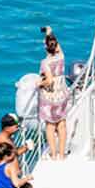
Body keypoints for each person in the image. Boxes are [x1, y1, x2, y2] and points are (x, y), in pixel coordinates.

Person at [38, 27, 70, 159]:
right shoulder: (61, 57)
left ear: (45, 47)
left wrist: (40, 83)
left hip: (51, 96)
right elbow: (57, 45)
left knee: (50, 125)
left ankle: (53, 154)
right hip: (62, 94)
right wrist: (50, 33)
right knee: (62, 123)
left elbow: (49, 80)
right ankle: (62, 154)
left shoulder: (45, 63)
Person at [0, 113, 27, 177]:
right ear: (7, 128)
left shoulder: (6, 136)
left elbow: (13, 153)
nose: (18, 126)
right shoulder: (3, 140)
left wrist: (26, 147)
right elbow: (15, 153)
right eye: (15, 125)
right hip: (4, 177)